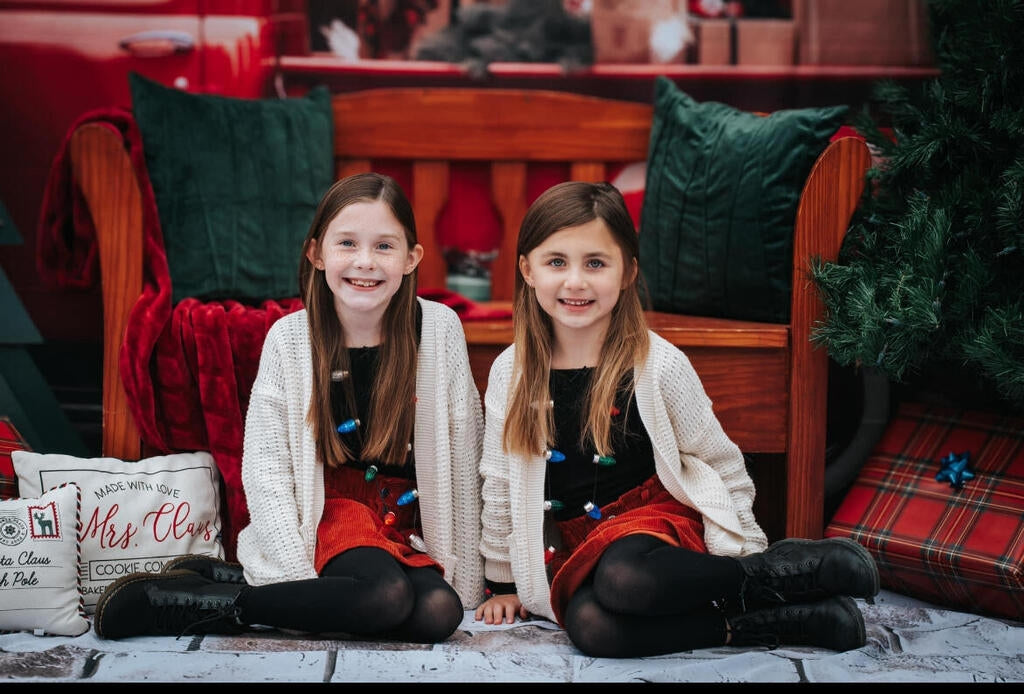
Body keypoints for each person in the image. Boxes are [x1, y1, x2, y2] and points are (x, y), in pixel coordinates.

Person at [473, 181, 879, 658]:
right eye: (557, 262)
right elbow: (499, 480)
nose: (576, 281)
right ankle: (774, 622)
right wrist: (503, 582)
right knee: (591, 627)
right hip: (577, 543)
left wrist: (747, 546)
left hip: (652, 525)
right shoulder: (512, 372)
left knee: (624, 577)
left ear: (628, 271)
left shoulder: (658, 364)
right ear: (527, 270)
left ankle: (778, 571)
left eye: (596, 263)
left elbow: (718, 460)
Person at [94, 172, 485, 643]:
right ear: (316, 254)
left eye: (384, 246)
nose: (365, 261)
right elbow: (267, 468)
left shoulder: (439, 329)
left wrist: (472, 580)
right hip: (325, 515)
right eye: (347, 243)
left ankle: (229, 585)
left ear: (411, 259)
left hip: (401, 521)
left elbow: (464, 452)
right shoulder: (291, 338)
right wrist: (293, 574)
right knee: (386, 597)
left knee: (440, 612)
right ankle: (188, 604)